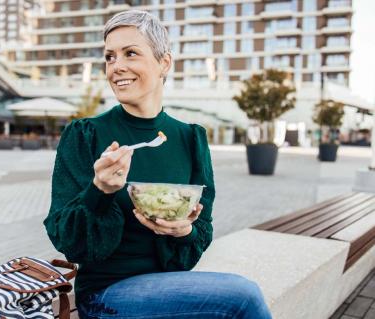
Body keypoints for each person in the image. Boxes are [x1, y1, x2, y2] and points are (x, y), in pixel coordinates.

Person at [44, 10, 272, 319]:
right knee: (243, 298)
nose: (117, 67)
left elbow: (202, 230)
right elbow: (67, 241)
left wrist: (185, 230)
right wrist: (99, 191)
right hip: (105, 294)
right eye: (110, 57)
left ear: (164, 63)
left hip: (166, 285)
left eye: (131, 53)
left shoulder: (190, 138)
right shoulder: (85, 134)